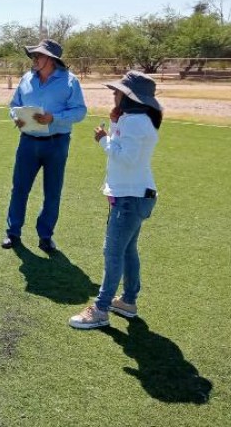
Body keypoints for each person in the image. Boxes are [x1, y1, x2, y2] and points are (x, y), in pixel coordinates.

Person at [69, 71, 163, 329]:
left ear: (130, 96)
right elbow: (126, 149)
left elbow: (125, 157)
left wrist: (103, 139)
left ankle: (100, 309)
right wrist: (114, 125)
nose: (114, 93)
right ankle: (128, 301)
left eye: (118, 90)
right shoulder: (138, 119)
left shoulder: (136, 122)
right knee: (127, 251)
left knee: (112, 253)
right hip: (135, 195)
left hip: (130, 198)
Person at [2, 39, 87, 253]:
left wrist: (54, 118)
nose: (34, 59)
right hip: (28, 143)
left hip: (56, 144)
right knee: (19, 189)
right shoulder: (26, 79)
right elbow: (14, 106)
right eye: (33, 55)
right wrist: (16, 117)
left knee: (52, 192)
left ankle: (45, 236)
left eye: (38, 55)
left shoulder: (70, 82)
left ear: (50, 59)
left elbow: (80, 112)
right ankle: (13, 232)